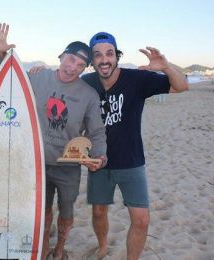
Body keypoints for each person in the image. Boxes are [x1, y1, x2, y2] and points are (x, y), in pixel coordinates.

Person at [0, 23, 107, 260]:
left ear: (84, 69)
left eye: (80, 64)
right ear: (61, 56)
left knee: (66, 212)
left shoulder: (89, 95)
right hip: (36, 162)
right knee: (43, 212)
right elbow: (8, 84)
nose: (73, 67)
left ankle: (59, 247)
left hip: (68, 166)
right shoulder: (38, 77)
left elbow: (96, 131)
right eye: (70, 59)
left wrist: (100, 155)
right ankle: (44, 249)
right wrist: (2, 54)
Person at [81, 32, 189, 260]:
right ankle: (102, 246)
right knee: (99, 212)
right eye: (98, 55)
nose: (104, 60)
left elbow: (182, 86)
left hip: (131, 161)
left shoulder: (137, 79)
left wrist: (166, 67)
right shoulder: (85, 83)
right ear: (92, 60)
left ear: (116, 56)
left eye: (109, 53)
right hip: (98, 162)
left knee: (141, 220)